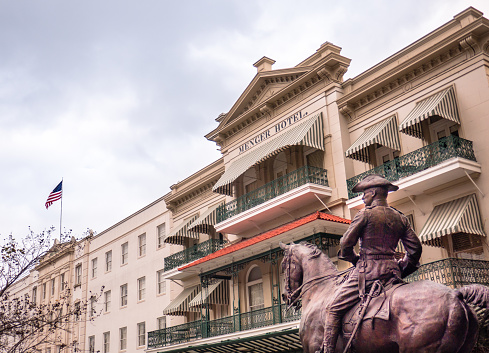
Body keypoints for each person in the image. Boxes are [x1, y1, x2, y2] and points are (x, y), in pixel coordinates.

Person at [319, 174, 422, 353]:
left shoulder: (365, 214)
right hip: (392, 273)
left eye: (364, 194)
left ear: (373, 193)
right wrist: (402, 269)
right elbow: (415, 250)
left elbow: (345, 244)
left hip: (367, 273)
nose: (362, 197)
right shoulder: (400, 218)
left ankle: (327, 350)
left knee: (333, 308)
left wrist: (354, 259)